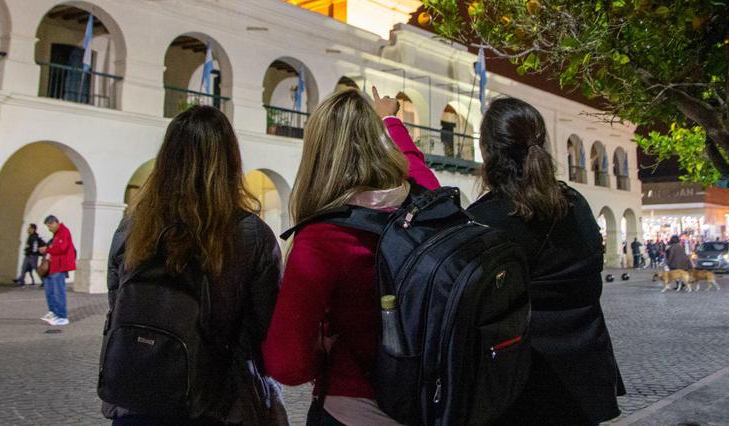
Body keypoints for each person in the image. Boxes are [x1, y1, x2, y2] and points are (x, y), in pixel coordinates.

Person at [263, 87, 438, 426]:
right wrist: (389, 121)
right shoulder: (424, 204)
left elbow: (288, 365)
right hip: (427, 401)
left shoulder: (322, 238)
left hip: (352, 407)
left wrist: (321, 348)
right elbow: (415, 164)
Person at [104, 105, 282, 425]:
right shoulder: (250, 235)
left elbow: (116, 302)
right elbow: (266, 329)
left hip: (136, 397)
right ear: (230, 162)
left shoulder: (132, 227)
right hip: (216, 403)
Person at [467, 97, 623, 425]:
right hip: (584, 378)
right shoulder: (577, 205)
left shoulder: (483, 221)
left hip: (520, 384)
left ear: (487, 151)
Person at [40, 214, 76, 326]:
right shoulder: (56, 234)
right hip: (53, 267)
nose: (49, 229)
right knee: (50, 291)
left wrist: (47, 249)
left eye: (49, 226)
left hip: (59, 267)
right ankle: (53, 312)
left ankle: (62, 316)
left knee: (58, 292)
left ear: (54, 223)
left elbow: (61, 248)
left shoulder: (63, 232)